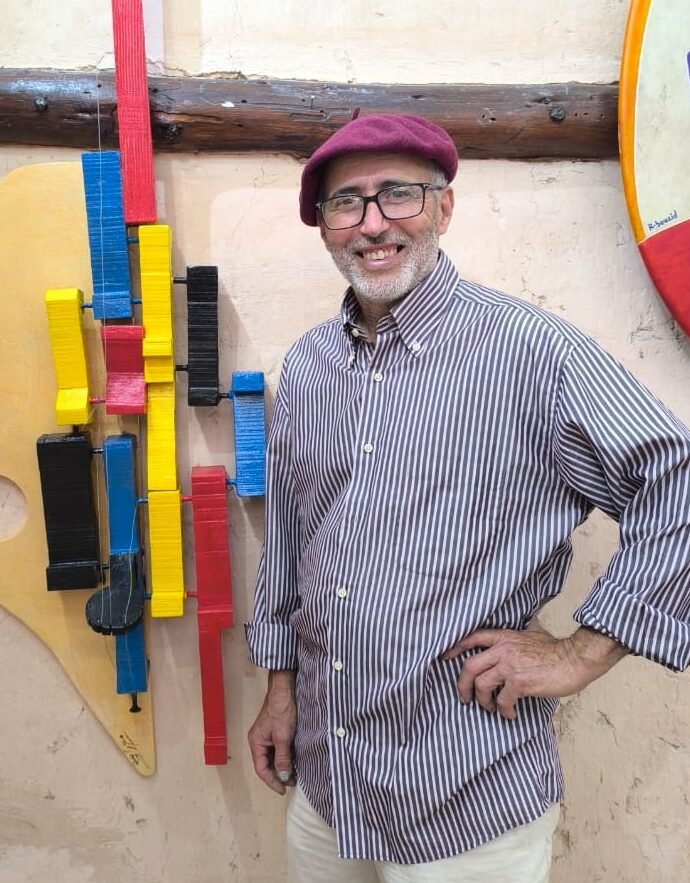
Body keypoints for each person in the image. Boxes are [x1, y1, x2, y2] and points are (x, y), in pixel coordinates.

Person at [245, 113, 690, 882]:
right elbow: (290, 540)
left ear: (443, 207)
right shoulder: (310, 367)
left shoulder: (531, 353)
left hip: (465, 797)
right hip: (328, 780)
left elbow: (677, 480)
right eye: (346, 202)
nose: (373, 223)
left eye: (398, 194)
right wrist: (280, 688)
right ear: (323, 226)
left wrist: (582, 652)